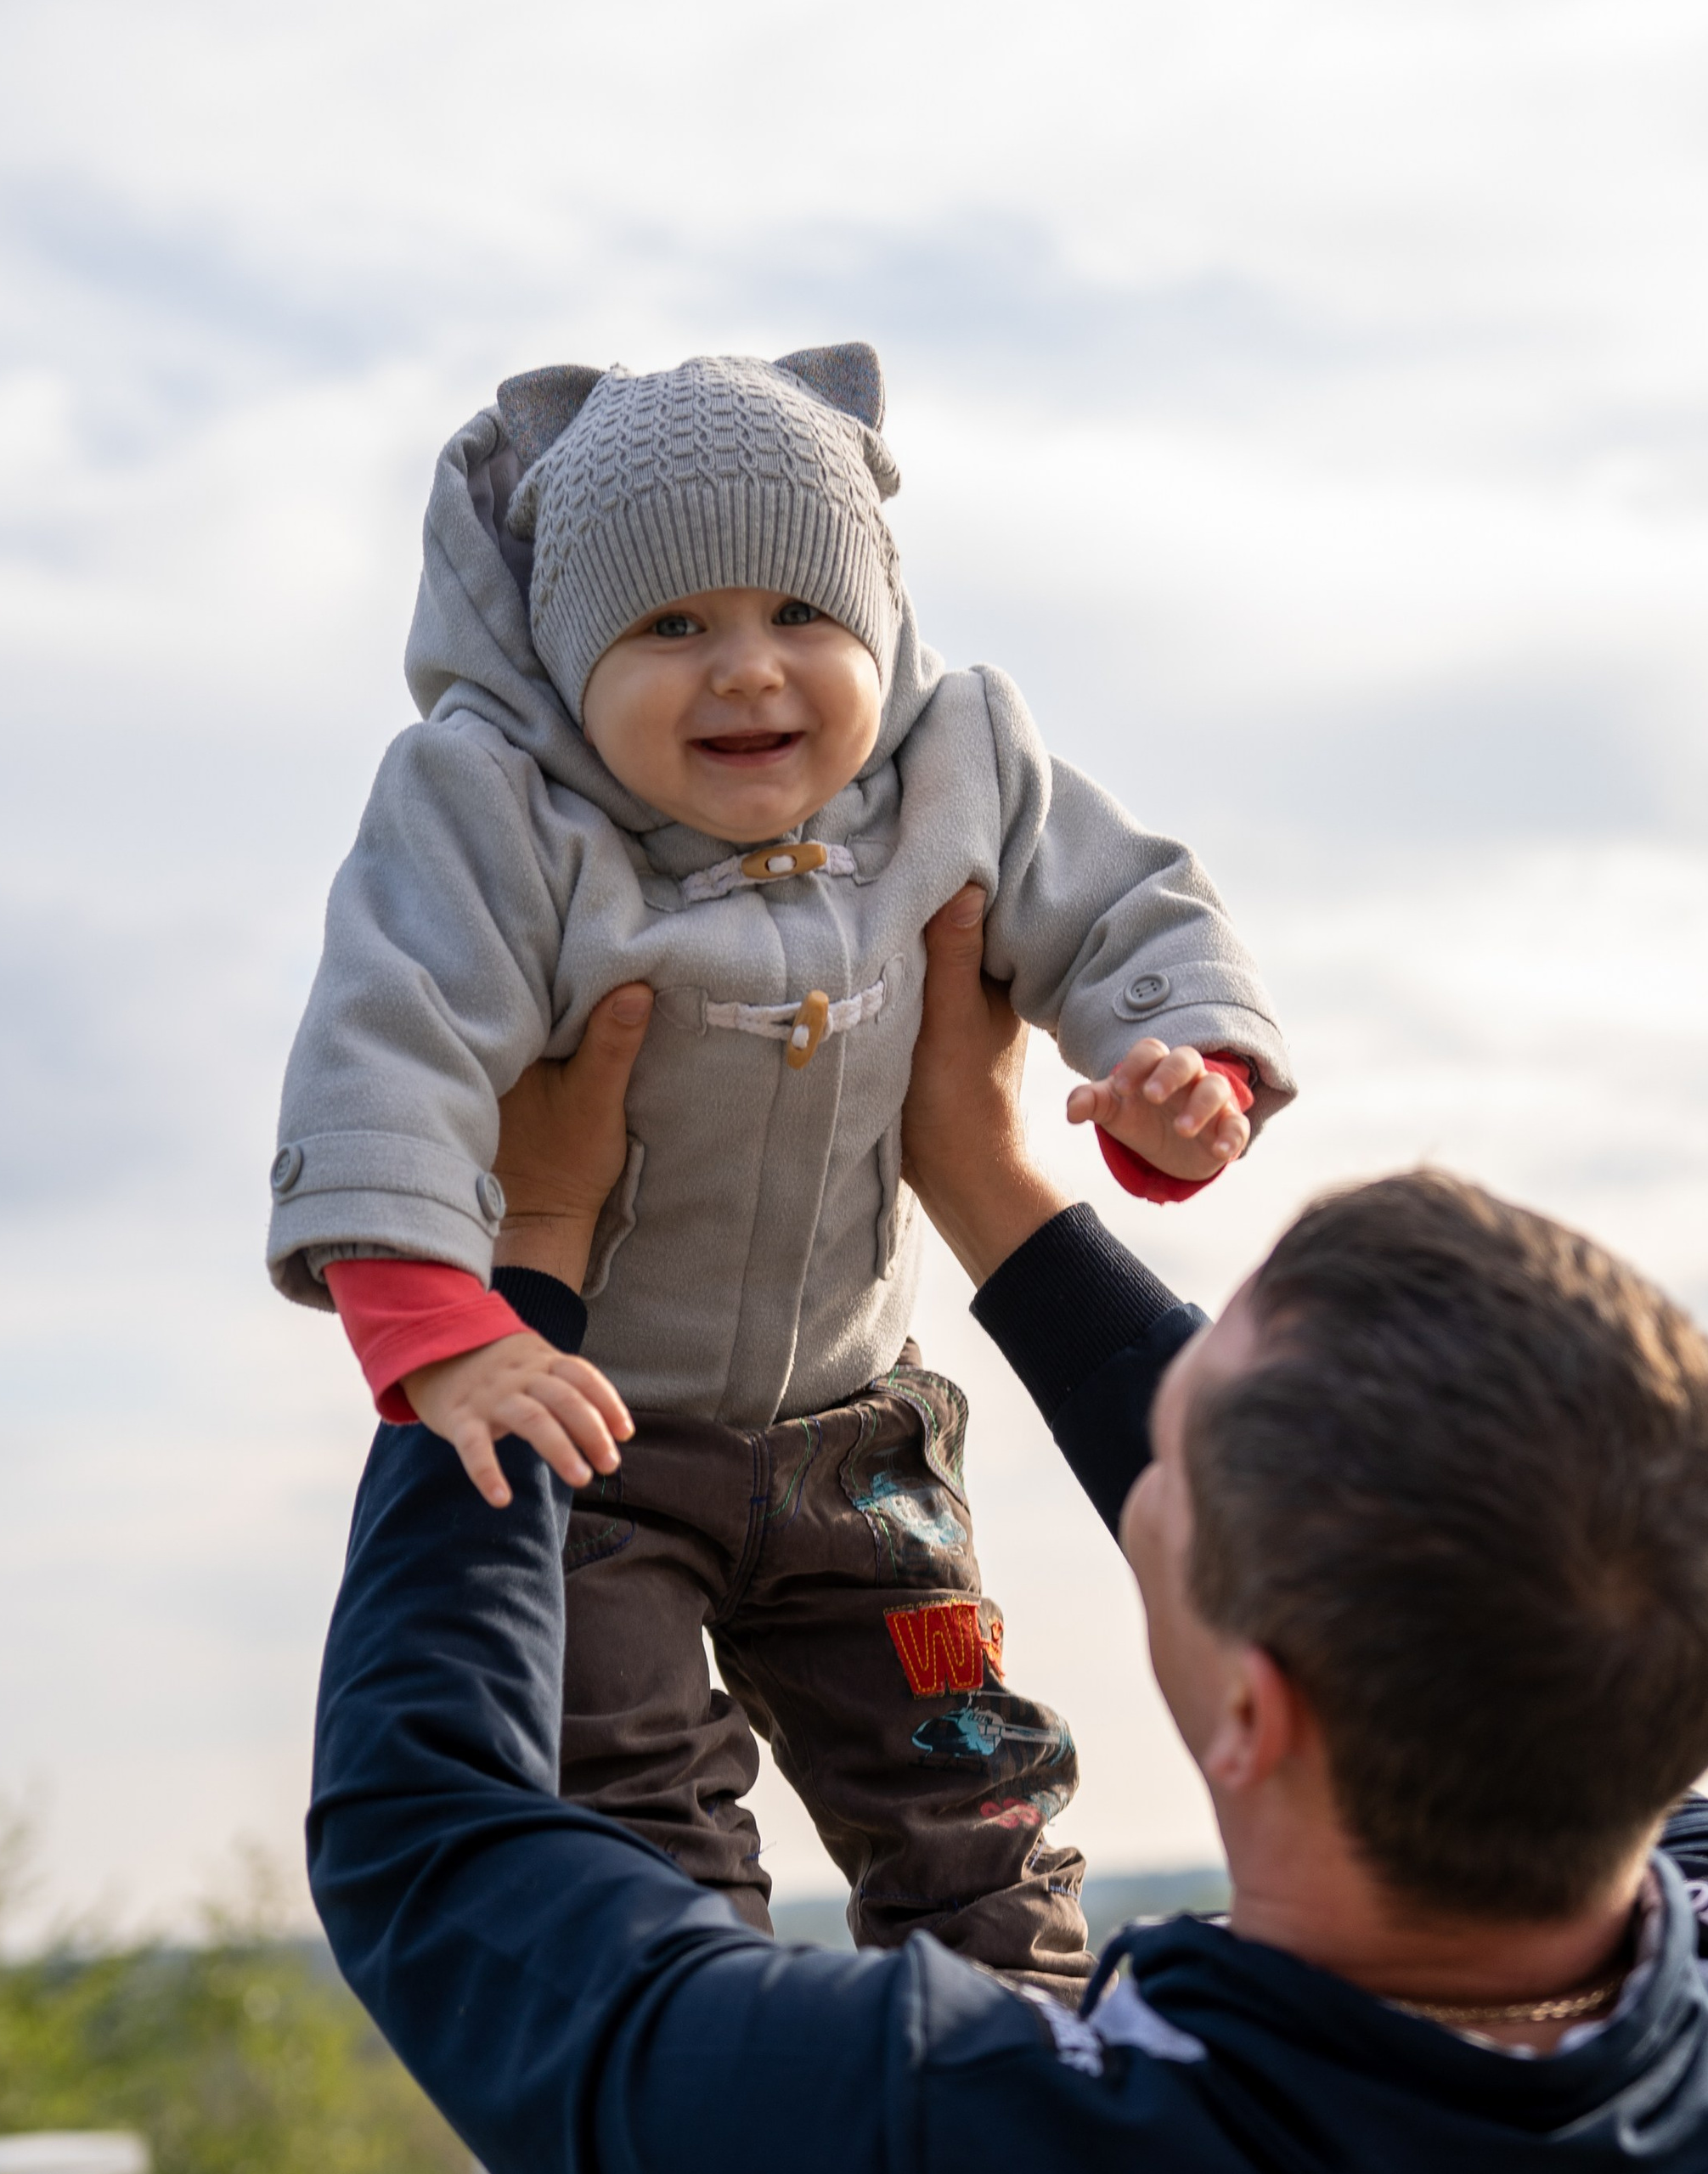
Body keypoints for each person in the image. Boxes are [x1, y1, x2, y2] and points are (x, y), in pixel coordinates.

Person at [306, 887, 1708, 2172]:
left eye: (1167, 1469)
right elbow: (1489, 1619)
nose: (1142, 1465)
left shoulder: (941, 2119)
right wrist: (985, 1176)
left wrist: (521, 1262)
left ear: (1258, 1713)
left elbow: (428, 1847)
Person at [268, 344, 1294, 1984]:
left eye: (799, 616)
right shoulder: (497, 814)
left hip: (855, 1436)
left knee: (966, 1773)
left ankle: (1015, 2040)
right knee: (624, 1794)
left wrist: (1182, 1067)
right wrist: (438, 1336)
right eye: (672, 627)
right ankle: (713, 2062)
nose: (748, 671)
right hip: (600, 1422)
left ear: (877, 627)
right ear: (563, 655)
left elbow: (1125, 909)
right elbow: (391, 1045)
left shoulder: (963, 768)